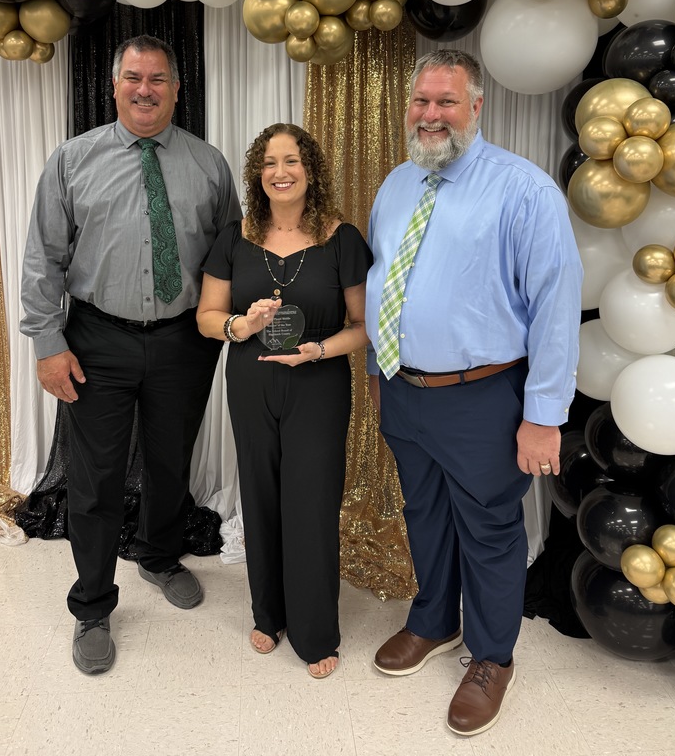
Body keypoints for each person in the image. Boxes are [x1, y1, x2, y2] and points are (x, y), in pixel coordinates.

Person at [366, 50, 582, 735]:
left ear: (476, 107)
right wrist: (378, 369)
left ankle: (491, 657)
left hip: (484, 397)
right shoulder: (397, 184)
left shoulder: (525, 191)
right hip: (404, 390)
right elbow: (382, 283)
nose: (430, 115)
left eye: (446, 101)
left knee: (488, 529)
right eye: (421, 101)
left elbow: (555, 309)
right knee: (424, 513)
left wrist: (543, 417)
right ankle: (434, 620)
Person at [21, 33, 242, 675]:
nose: (145, 90)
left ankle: (158, 554)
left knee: (171, 460)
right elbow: (44, 257)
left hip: (183, 341)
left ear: (176, 88)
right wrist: (47, 344)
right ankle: (92, 604)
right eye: (134, 78)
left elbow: (230, 255)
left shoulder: (209, 165)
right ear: (114, 85)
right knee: (96, 478)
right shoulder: (72, 160)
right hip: (96, 338)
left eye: (158, 79)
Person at [196, 123, 371, 679]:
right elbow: (206, 317)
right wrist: (241, 326)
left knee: (311, 503)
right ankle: (267, 615)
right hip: (250, 379)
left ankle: (315, 630)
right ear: (257, 174)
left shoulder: (341, 238)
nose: (280, 172)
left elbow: (364, 326)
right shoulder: (236, 237)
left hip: (317, 382)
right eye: (269, 163)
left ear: (310, 170)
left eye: (291, 160)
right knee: (260, 494)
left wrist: (316, 350)